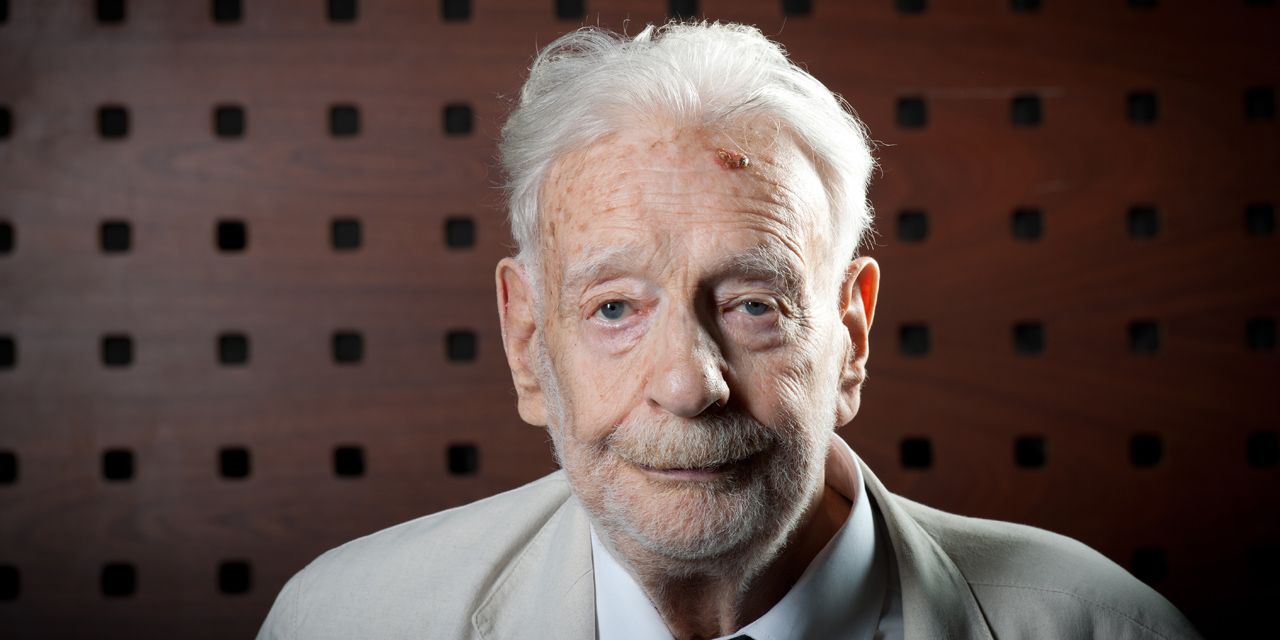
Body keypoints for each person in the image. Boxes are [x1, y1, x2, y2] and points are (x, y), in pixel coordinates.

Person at [257, 21, 1201, 640]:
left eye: (754, 304)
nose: (688, 385)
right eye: (615, 308)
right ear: (526, 342)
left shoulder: (1107, 629)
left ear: (850, 337)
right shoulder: (344, 622)